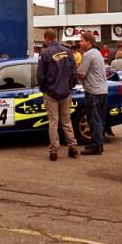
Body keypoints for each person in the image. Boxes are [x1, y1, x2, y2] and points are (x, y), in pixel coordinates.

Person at [37, 29, 78, 161]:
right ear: (55, 37)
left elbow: (40, 75)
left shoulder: (45, 53)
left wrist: (44, 89)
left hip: (51, 92)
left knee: (53, 122)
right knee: (66, 121)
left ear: (47, 39)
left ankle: (54, 150)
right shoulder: (68, 51)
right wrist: (70, 86)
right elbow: (73, 71)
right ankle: (73, 147)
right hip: (65, 92)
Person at [77, 32, 107, 155]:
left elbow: (81, 74)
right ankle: (98, 143)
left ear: (88, 42)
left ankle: (96, 146)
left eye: (82, 40)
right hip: (102, 90)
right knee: (99, 119)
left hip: (93, 91)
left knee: (94, 120)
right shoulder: (97, 53)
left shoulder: (88, 54)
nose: (80, 43)